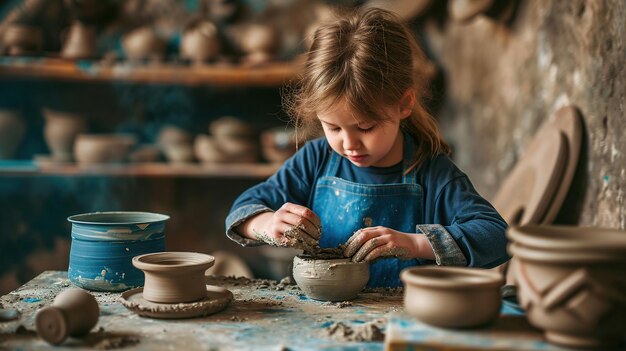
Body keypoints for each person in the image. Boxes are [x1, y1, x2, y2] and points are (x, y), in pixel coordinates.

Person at [225, 7, 509, 287]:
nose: (349, 144)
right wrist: (267, 224)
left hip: (401, 317)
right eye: (333, 127)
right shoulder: (316, 160)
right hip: (323, 314)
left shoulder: (430, 171)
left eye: (365, 128)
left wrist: (415, 243)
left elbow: (497, 237)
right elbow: (241, 211)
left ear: (404, 104)